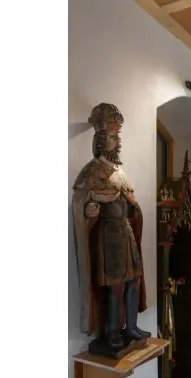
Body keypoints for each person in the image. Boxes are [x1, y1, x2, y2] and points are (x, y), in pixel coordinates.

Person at [72, 103, 150, 354]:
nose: (118, 141)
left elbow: (128, 201)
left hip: (126, 234)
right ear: (100, 140)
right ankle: (112, 331)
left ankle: (131, 327)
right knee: (115, 285)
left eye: (119, 136)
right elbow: (80, 201)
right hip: (108, 238)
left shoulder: (120, 173)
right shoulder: (91, 171)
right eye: (114, 136)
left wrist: (134, 211)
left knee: (134, 280)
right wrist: (88, 211)